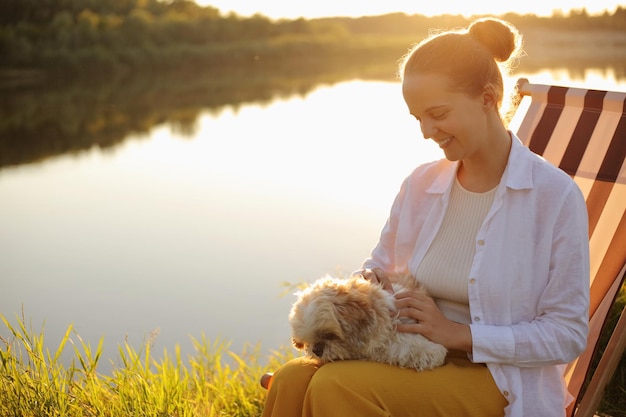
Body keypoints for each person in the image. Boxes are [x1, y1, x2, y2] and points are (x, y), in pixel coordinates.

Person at [261, 17, 590, 417]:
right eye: (418, 117)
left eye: (437, 114)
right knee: (295, 378)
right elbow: (378, 268)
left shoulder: (553, 198)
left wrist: (458, 334)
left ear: (488, 98)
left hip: (497, 379)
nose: (426, 131)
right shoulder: (421, 184)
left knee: (336, 386)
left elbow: (567, 335)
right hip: (404, 353)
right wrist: (368, 287)